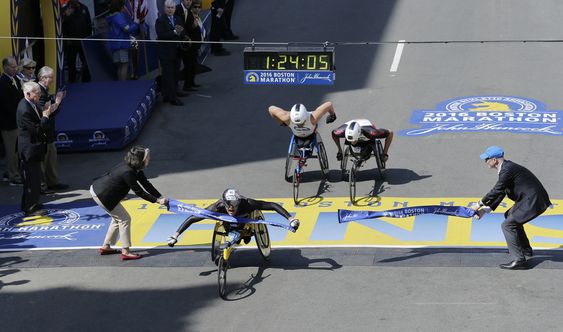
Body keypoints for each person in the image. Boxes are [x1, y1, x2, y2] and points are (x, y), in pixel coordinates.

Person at [471, 146, 551, 270]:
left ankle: (519, 260)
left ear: (495, 160)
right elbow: (501, 192)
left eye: (486, 159)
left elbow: (497, 190)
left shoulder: (507, 170)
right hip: (529, 199)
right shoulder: (506, 168)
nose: (485, 161)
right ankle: (525, 249)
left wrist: (478, 204)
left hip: (534, 200)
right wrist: (484, 211)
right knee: (509, 216)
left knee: (507, 225)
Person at [90, 145, 168, 260]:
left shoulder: (136, 168)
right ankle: (125, 251)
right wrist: (157, 201)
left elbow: (146, 183)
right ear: (140, 159)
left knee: (118, 218)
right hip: (103, 195)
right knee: (125, 219)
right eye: (147, 157)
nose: (149, 159)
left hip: (101, 191)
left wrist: (161, 197)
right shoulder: (128, 172)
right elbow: (139, 192)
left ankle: (106, 246)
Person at [167, 188, 300, 247]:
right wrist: (175, 235)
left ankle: (246, 234)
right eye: (228, 206)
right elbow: (193, 218)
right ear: (223, 203)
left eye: (234, 206)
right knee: (232, 234)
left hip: (244, 223)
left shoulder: (247, 203)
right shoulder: (217, 206)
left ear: (239, 202)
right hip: (228, 226)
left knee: (245, 237)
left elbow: (272, 205)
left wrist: (290, 219)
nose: (231, 209)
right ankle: (234, 234)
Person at [16, 82, 54, 216]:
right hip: (29, 150)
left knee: (35, 179)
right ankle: (30, 208)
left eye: (39, 92)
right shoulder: (24, 109)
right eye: (36, 93)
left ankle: (33, 203)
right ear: (28, 94)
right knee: (31, 180)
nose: (39, 95)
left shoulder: (32, 103)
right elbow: (37, 129)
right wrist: (45, 116)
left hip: (34, 149)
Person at [36, 66, 68, 193]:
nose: (52, 80)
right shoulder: (40, 91)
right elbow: (46, 111)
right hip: (44, 131)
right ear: (43, 78)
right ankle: (43, 185)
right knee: (44, 159)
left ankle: (52, 182)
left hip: (49, 130)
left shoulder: (45, 89)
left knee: (51, 158)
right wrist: (58, 101)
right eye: (50, 77)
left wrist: (56, 101)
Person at [155, 0, 188, 106]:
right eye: (168, 7)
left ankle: (174, 92)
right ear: (164, 8)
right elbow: (162, 35)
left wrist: (182, 35)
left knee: (176, 72)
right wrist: (175, 32)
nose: (170, 10)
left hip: (177, 51)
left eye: (172, 8)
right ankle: (172, 98)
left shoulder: (178, 18)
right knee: (168, 75)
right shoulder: (160, 21)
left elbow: (182, 32)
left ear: (175, 8)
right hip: (166, 53)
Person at [268, 102, 337, 148]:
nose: (299, 126)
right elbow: (329, 104)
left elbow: (271, 109)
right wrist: (332, 115)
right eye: (297, 123)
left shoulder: (286, 117)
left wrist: (281, 122)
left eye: (301, 123)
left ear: (305, 117)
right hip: (310, 133)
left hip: (299, 134)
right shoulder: (313, 118)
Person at [0, 56, 24, 186]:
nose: (15, 69)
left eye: (16, 66)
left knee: (16, 151)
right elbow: (6, 105)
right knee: (11, 152)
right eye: (12, 67)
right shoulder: (2, 83)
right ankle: (13, 176)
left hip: (16, 122)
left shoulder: (15, 79)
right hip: (9, 124)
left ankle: (13, 172)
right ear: (5, 67)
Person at [106, 0, 140, 81]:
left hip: (115, 45)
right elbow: (127, 29)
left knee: (120, 66)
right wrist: (136, 24)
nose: (124, 7)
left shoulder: (111, 16)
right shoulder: (118, 16)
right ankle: (123, 86)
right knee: (124, 65)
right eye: (123, 6)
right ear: (119, 6)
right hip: (121, 44)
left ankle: (120, 86)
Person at [62, 0, 92, 83]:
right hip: (70, 42)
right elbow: (60, 25)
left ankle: (86, 80)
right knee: (71, 64)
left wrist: (88, 38)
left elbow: (89, 24)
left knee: (86, 62)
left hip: (83, 41)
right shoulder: (64, 9)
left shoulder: (84, 8)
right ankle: (72, 81)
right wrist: (65, 15)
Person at [175, 0, 201, 92]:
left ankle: (192, 82)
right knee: (188, 65)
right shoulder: (178, 9)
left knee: (193, 64)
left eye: (190, 0)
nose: (189, 2)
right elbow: (181, 27)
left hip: (193, 44)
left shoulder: (189, 9)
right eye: (186, 0)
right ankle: (187, 85)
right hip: (186, 44)